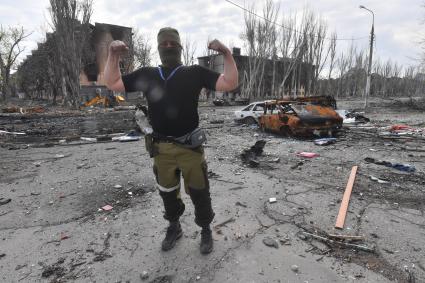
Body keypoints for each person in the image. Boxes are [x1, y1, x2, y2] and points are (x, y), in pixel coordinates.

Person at [104, 27, 238, 254]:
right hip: (161, 149)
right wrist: (113, 56)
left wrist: (226, 53)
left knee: (199, 191)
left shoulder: (194, 72)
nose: (168, 47)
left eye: (172, 44)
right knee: (167, 191)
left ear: (180, 47)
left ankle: (205, 229)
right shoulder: (148, 74)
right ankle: (174, 226)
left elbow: (229, 83)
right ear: (158, 48)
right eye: (164, 44)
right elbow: (113, 83)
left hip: (190, 147)